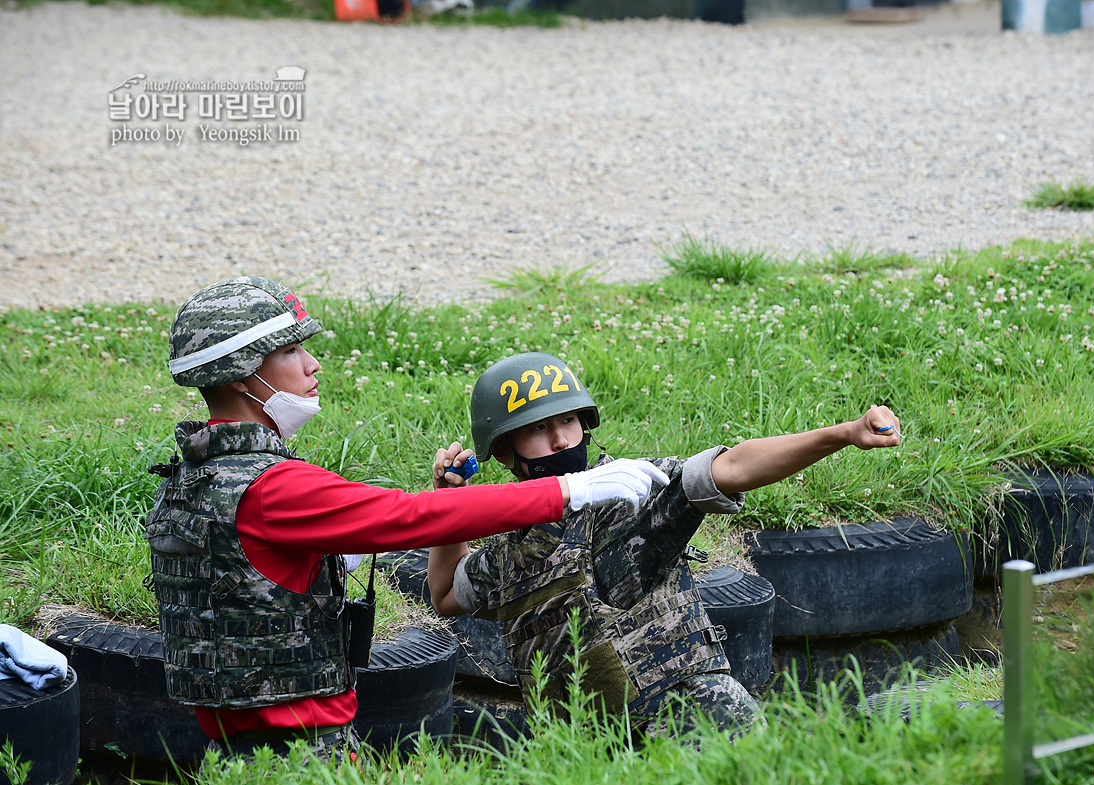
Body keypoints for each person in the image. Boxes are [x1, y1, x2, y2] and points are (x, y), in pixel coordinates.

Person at [142, 278, 668, 763]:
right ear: (240, 373)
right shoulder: (270, 488)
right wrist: (569, 490)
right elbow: (404, 517)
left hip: (235, 751)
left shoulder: (196, 476)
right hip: (299, 752)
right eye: (290, 350)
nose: (312, 364)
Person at [426, 351, 902, 736]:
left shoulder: (629, 489)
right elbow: (445, 594)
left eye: (568, 421)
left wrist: (844, 434)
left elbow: (730, 468)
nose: (558, 439)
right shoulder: (512, 552)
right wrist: (449, 504)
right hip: (588, 753)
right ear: (504, 451)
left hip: (696, 725)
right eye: (537, 428)